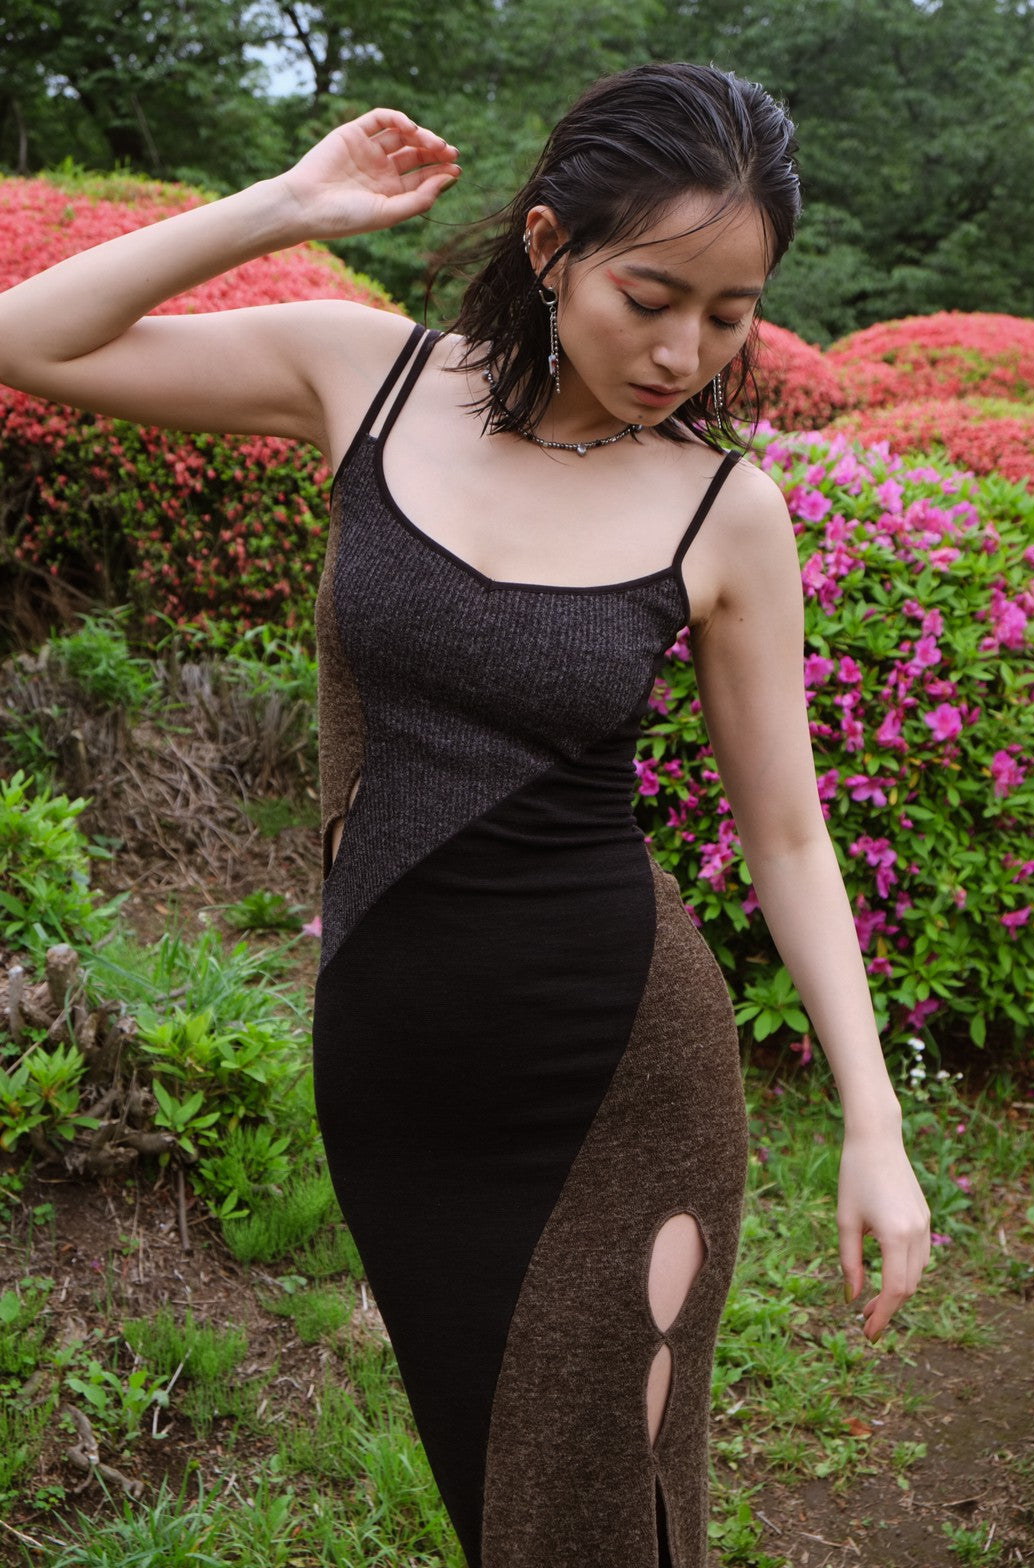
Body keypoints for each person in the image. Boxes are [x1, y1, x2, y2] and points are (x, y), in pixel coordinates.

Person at [0, 61, 931, 1568]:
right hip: (397, 1074)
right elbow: (25, 340)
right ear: (551, 245)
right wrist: (288, 204)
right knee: (497, 1499)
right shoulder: (363, 376)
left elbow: (788, 834)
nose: (683, 351)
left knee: (606, 1510)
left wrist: (873, 1125)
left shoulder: (724, 510)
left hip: (624, 1079)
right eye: (651, 296)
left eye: (731, 315)